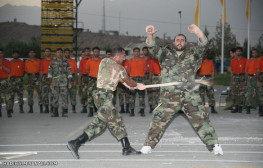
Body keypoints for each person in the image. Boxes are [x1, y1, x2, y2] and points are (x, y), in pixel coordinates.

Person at [140, 24, 223, 156]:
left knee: (201, 120)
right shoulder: (165, 53)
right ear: (173, 42)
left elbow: (204, 44)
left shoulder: (194, 53)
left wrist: (198, 32)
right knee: (158, 120)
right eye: (177, 40)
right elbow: (152, 47)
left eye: (182, 40)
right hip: (169, 96)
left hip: (190, 95)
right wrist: (150, 34)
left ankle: (215, 146)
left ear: (186, 42)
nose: (179, 42)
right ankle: (148, 145)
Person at [67, 47, 145, 159]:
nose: (124, 59)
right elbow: (128, 80)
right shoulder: (119, 68)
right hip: (105, 96)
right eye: (123, 56)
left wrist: (128, 85)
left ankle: (126, 147)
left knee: (116, 121)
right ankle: (75, 143)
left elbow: (117, 78)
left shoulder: (104, 61)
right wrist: (137, 85)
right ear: (117, 56)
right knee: (99, 124)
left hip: (99, 95)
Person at [48, 48, 72, 117]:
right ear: (56, 53)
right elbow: (50, 73)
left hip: (64, 82)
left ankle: (64, 112)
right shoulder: (52, 62)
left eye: (61, 52)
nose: (59, 54)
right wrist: (50, 83)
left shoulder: (66, 62)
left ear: (62, 53)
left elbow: (69, 73)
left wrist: (70, 82)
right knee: (55, 97)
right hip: (55, 82)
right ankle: (55, 112)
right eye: (58, 52)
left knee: (64, 96)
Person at [128, 47, 146, 117]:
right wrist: (129, 81)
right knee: (132, 96)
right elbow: (128, 72)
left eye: (138, 51)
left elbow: (145, 71)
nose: (137, 53)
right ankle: (132, 111)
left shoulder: (143, 60)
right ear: (133, 52)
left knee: (142, 96)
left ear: (139, 52)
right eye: (135, 51)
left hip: (141, 79)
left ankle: (142, 111)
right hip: (133, 79)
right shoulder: (130, 61)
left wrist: (144, 81)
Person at [85, 46, 102, 117]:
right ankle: (91, 111)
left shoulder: (102, 61)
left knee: (99, 95)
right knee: (90, 95)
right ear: (93, 52)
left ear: (99, 52)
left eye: (97, 52)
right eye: (95, 52)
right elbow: (86, 70)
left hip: (99, 80)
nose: (96, 53)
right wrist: (91, 75)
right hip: (91, 80)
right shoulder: (89, 61)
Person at [230, 47, 247, 113]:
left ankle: (240, 107)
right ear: (235, 52)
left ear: (241, 52)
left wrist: (245, 80)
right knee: (235, 93)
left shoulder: (245, 60)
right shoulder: (233, 60)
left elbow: (246, 71)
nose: (238, 52)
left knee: (241, 93)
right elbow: (231, 71)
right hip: (235, 77)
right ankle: (236, 107)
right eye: (237, 51)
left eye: (239, 51)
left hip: (242, 76)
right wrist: (231, 81)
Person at [25, 49, 42, 113]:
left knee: (40, 93)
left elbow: (41, 70)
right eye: (30, 52)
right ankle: (31, 108)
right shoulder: (26, 61)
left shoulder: (39, 61)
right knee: (30, 93)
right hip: (30, 77)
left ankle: (41, 107)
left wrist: (40, 80)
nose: (31, 54)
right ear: (29, 54)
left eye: (33, 52)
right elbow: (26, 71)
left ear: (35, 54)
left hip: (37, 76)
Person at [245, 48, 259, 114]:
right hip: (250, 77)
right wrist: (246, 80)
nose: (254, 54)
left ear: (257, 53)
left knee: (259, 93)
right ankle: (248, 108)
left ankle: (260, 108)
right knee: (249, 93)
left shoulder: (260, 61)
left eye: (255, 53)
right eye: (253, 53)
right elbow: (246, 71)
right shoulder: (249, 61)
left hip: (258, 78)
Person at [40, 48, 53, 113]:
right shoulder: (42, 61)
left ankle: (52, 107)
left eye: (48, 51)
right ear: (44, 53)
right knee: (45, 94)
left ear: (50, 52)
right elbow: (41, 71)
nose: (47, 52)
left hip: (52, 77)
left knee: (52, 93)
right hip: (45, 77)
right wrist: (40, 80)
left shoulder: (53, 60)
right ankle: (46, 107)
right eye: (46, 51)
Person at [64, 48, 77, 113]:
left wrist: (75, 80)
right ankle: (65, 109)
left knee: (73, 94)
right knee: (64, 94)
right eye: (66, 53)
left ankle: (73, 108)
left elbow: (75, 71)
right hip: (64, 78)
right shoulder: (62, 61)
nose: (67, 54)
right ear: (64, 54)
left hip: (72, 77)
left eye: (68, 53)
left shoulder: (73, 61)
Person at [78, 48, 91, 113]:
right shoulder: (82, 61)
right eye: (86, 51)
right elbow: (80, 71)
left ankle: (93, 107)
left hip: (91, 77)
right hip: (84, 77)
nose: (87, 52)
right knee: (84, 93)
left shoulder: (92, 60)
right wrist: (79, 81)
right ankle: (84, 107)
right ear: (85, 52)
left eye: (88, 51)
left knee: (92, 93)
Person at [0, 49, 12, 117]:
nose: (0, 54)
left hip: (5, 80)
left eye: (1, 53)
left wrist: (2, 64)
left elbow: (8, 71)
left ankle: (8, 111)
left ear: (3, 54)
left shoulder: (6, 61)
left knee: (7, 97)